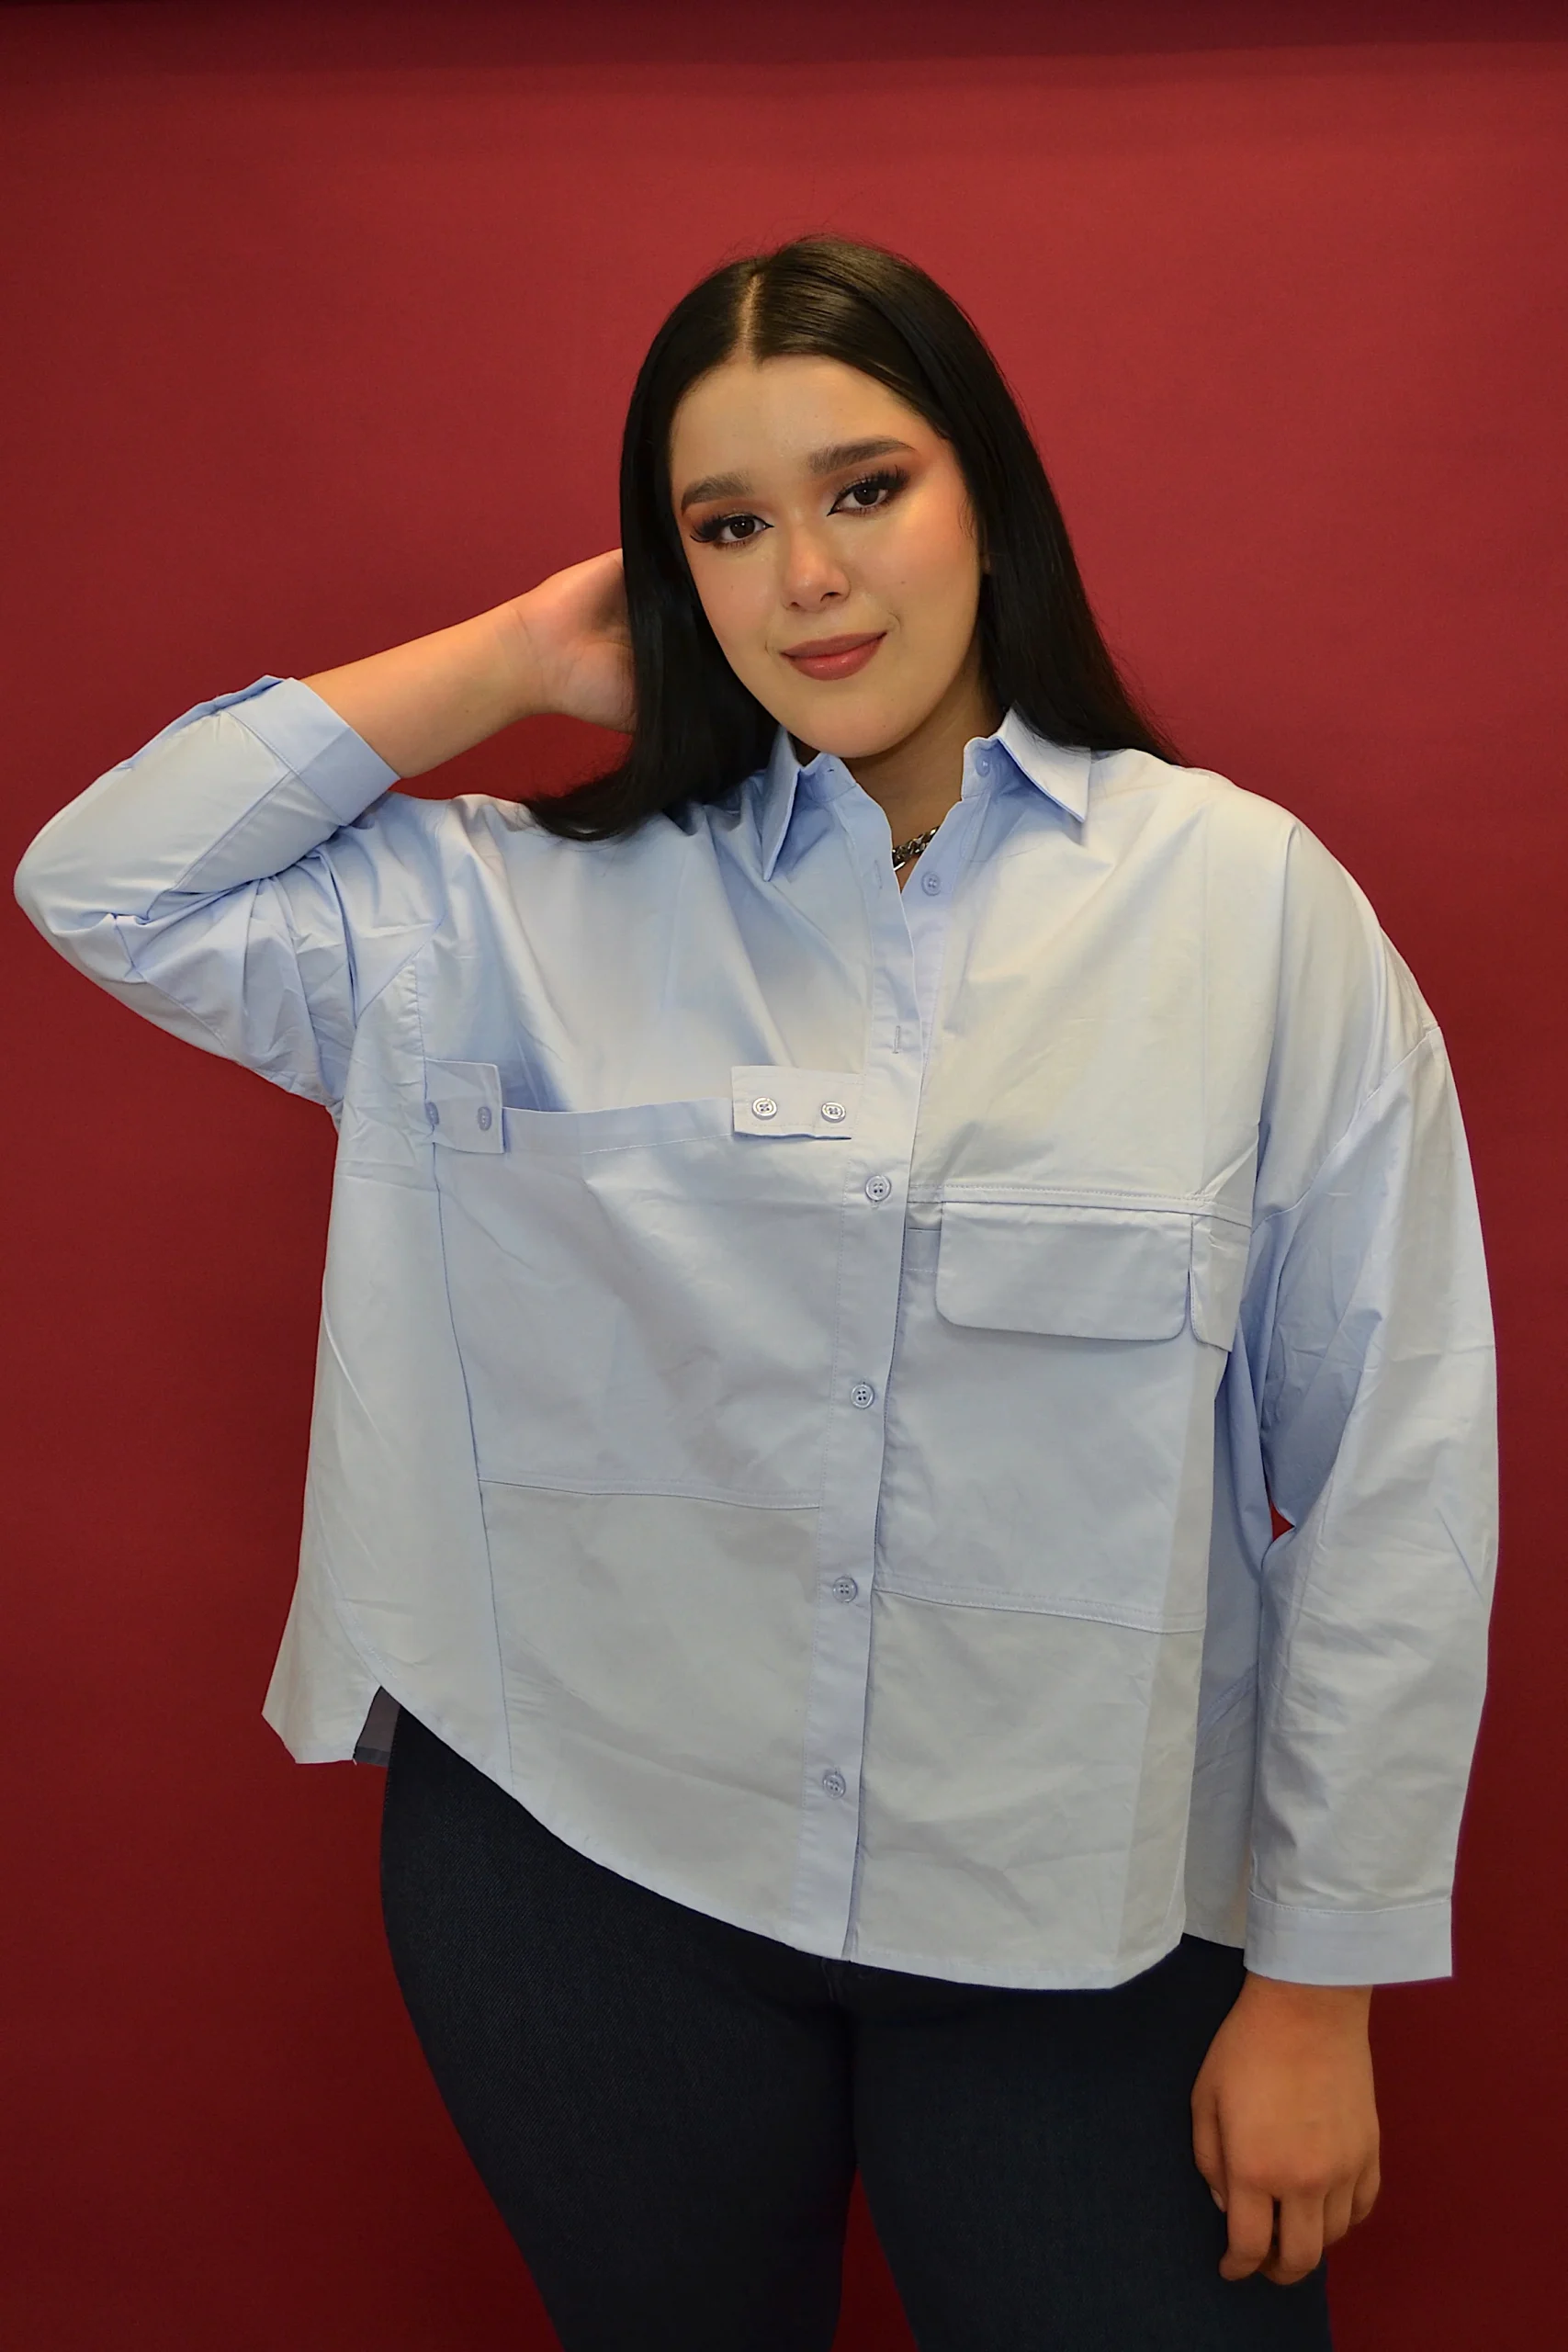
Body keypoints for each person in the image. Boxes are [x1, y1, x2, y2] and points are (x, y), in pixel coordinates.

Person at [14, 235, 1496, 2351]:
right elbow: (103, 881)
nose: (806, 577)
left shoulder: (1247, 908)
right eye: (725, 524)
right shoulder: (510, 914)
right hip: (589, 1872)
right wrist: (516, 653)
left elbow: (1391, 1469)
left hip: (1078, 1901)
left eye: (864, 488)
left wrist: (1318, 1979)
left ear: (988, 493)